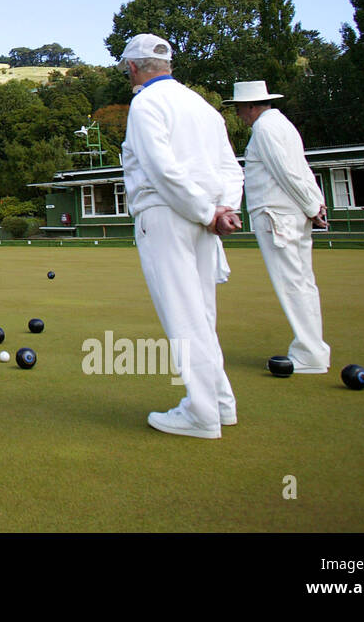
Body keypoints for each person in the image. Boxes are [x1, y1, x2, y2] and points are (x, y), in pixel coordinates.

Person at [120, 34, 245, 439]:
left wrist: (209, 212)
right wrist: (223, 210)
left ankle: (202, 415)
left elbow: (162, 169)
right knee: (202, 315)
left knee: (184, 316)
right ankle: (220, 403)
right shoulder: (204, 107)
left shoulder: (145, 104)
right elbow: (231, 168)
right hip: (206, 218)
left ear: (133, 68)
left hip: (168, 215)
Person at [225, 80, 331, 373]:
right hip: (289, 213)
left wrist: (312, 207)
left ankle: (309, 354)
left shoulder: (265, 128)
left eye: (239, 109)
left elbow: (286, 172)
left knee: (292, 283)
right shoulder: (283, 124)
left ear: (250, 106)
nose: (238, 115)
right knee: (302, 281)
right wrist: (315, 202)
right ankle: (313, 350)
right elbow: (302, 168)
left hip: (277, 215)